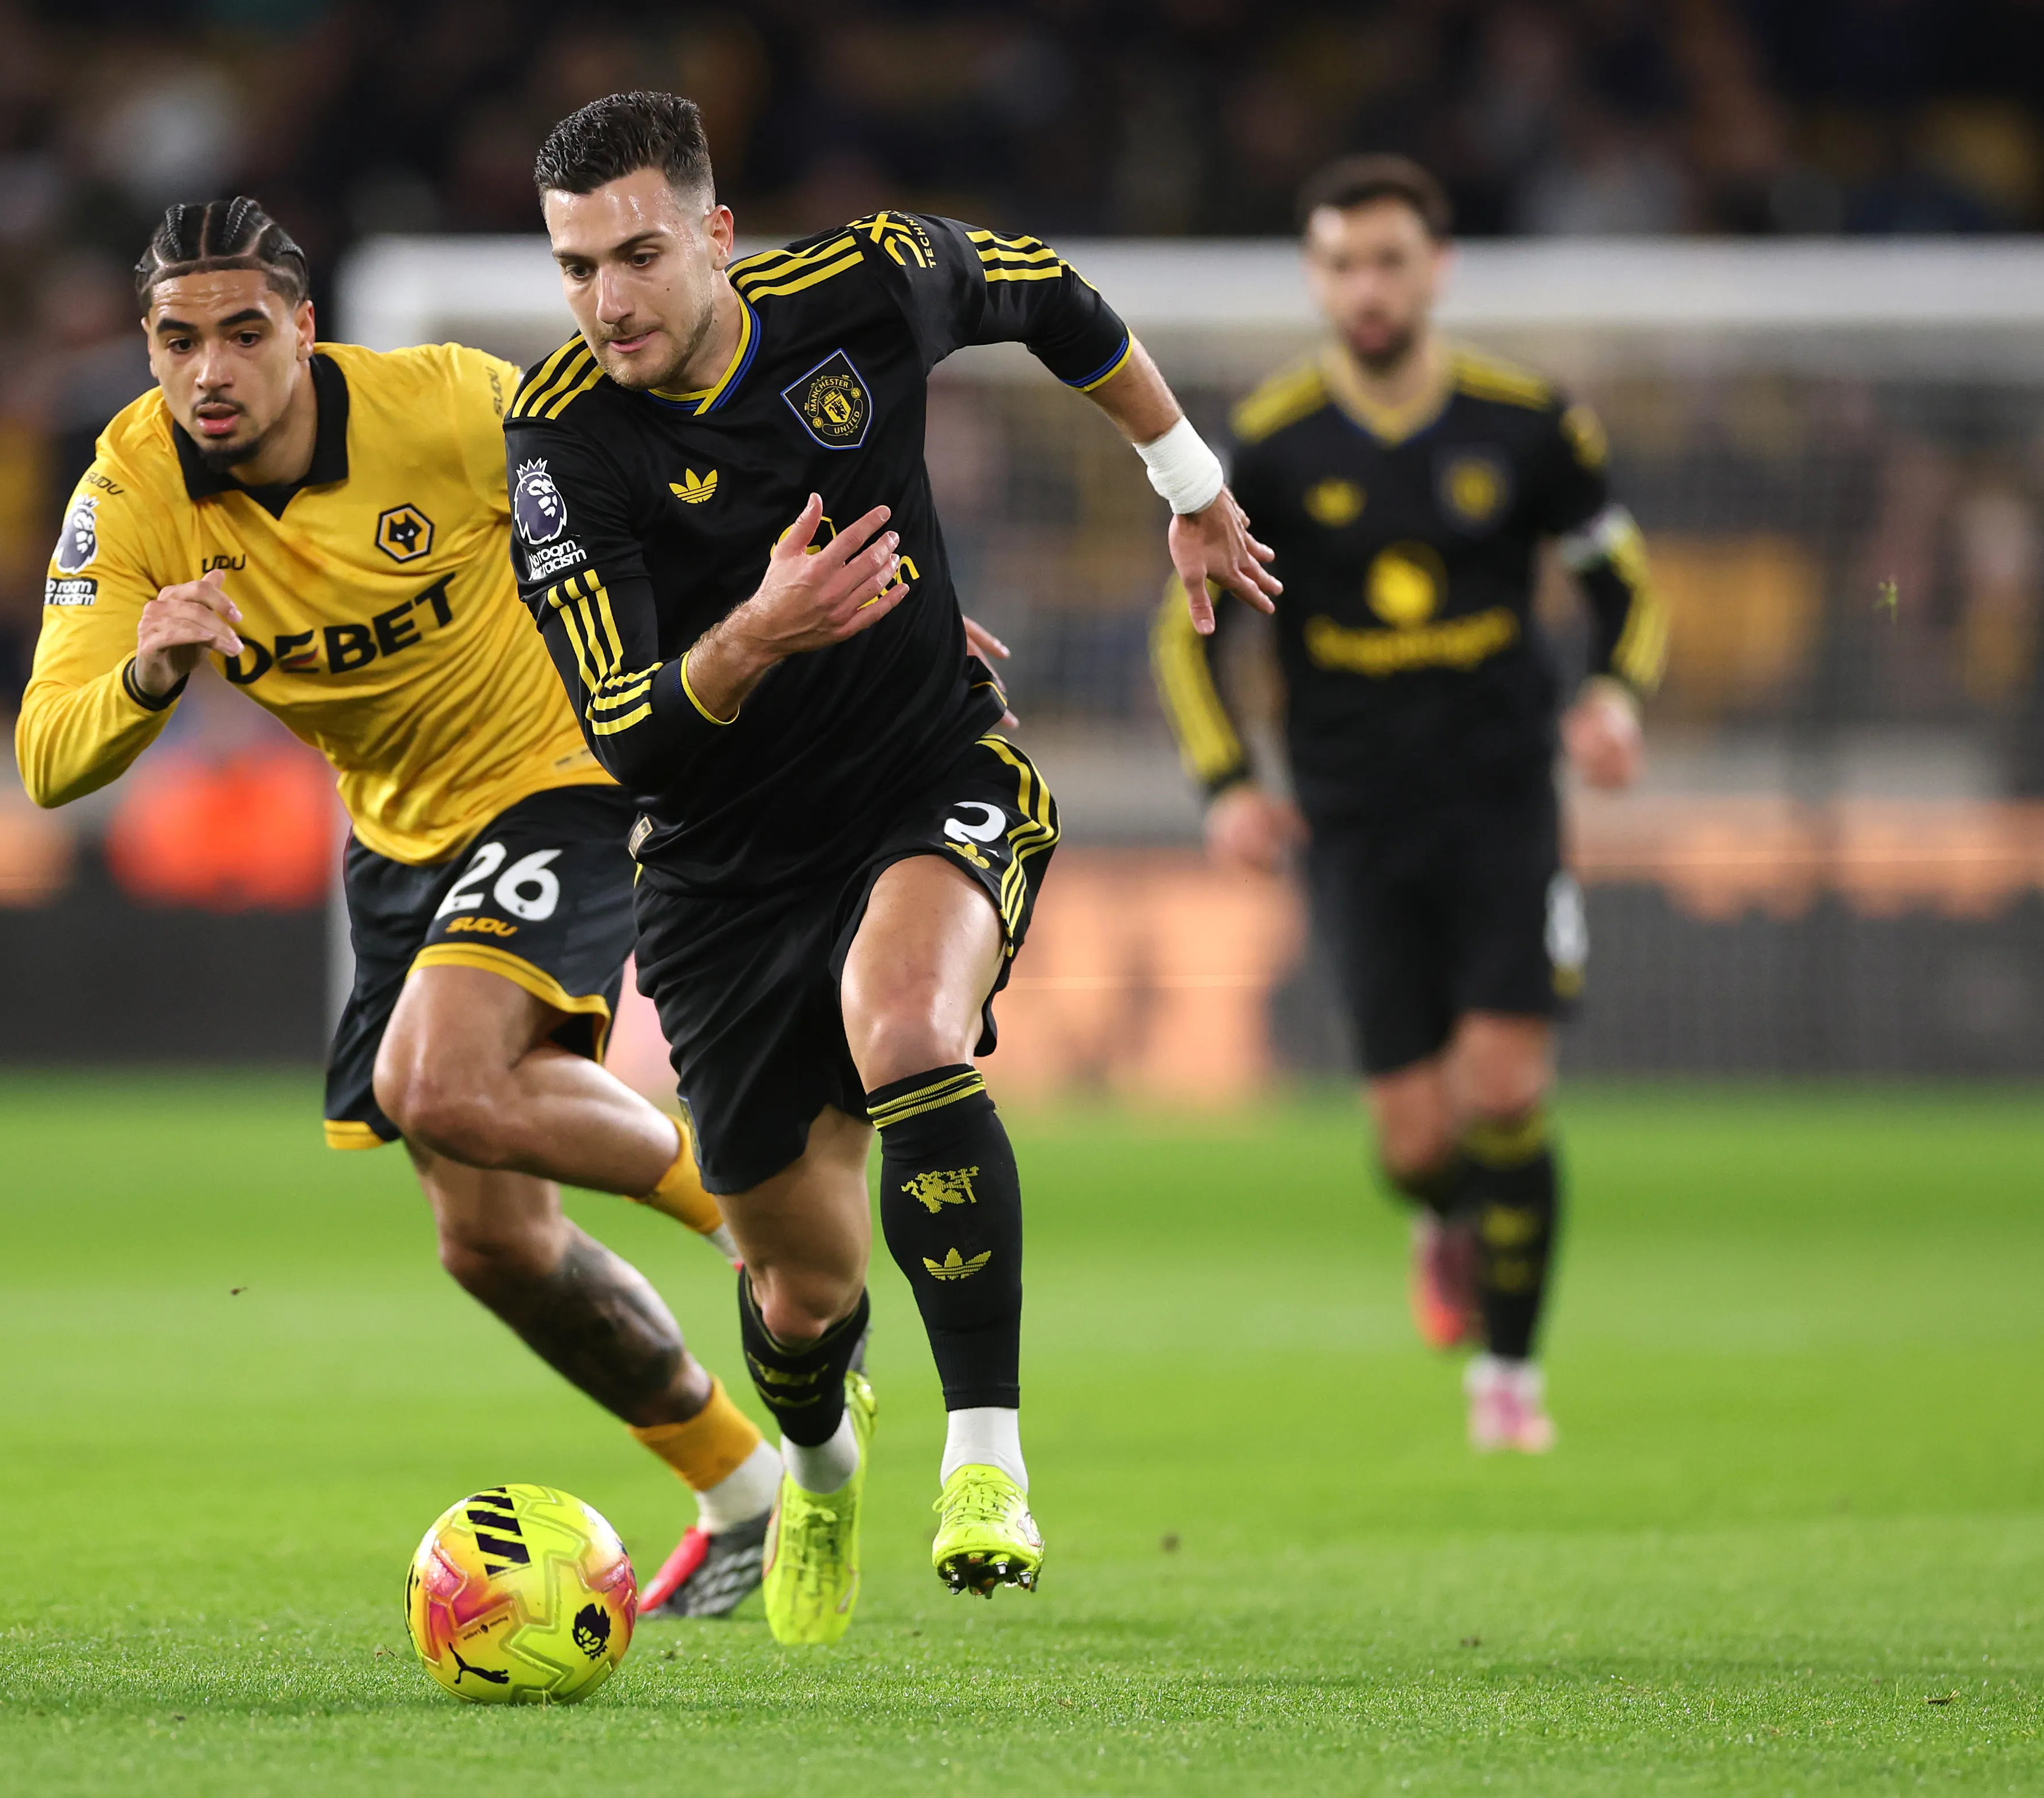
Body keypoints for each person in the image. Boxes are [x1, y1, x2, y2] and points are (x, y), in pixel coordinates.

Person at [509, 94, 1279, 1643]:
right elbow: (628, 739)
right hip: (720, 871)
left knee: (907, 1025)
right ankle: (817, 1460)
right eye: (578, 266)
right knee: (799, 1290)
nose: (610, 300)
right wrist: (759, 633)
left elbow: (1047, 296)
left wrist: (1184, 483)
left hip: (930, 773)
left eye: (640, 254)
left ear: (718, 237)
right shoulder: (558, 438)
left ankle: (982, 1461)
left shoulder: (862, 283)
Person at [15, 197, 782, 1617]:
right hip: (398, 837)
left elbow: (667, 487)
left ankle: (764, 1232)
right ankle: (744, 1491)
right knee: (488, 1243)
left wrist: (816, 625)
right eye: (177, 341)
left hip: (566, 770)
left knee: (430, 1079)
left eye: (244, 333)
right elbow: (46, 756)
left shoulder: (451, 405)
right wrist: (144, 677)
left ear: (305, 330)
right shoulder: (128, 493)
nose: (210, 373)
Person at [1154, 155, 1665, 1452]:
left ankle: (1509, 1376)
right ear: (1315, 278)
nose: (1364, 287)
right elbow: (1189, 634)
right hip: (1352, 820)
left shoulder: (1527, 422)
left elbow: (1625, 586)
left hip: (1501, 804)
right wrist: (1226, 782)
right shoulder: (1262, 445)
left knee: (1504, 1088)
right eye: (1339, 264)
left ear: (1434, 269)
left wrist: (1611, 695)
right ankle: (1442, 1220)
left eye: (1387, 261)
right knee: (1412, 1140)